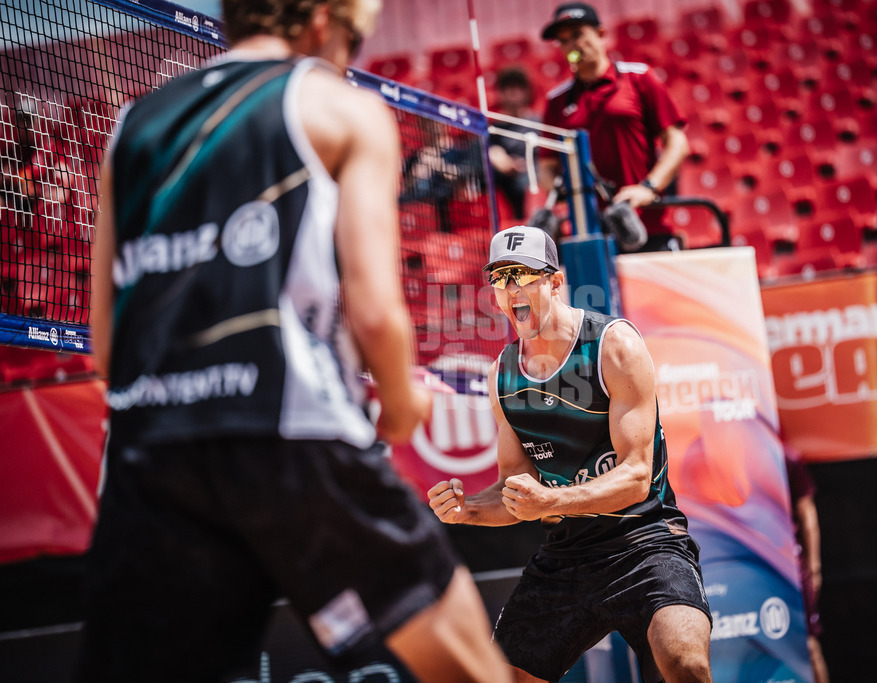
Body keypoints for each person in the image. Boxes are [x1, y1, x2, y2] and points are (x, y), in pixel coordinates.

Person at [77, 2, 510, 682]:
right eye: (351, 41)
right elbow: (374, 313)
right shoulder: (337, 106)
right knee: (469, 665)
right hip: (291, 433)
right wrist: (399, 405)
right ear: (318, 21)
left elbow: (106, 346)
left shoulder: (133, 124)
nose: (351, 56)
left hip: (150, 450)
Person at [429, 225, 713, 682]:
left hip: (644, 539)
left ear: (555, 283)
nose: (510, 289)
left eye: (522, 275)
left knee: (684, 663)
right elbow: (512, 490)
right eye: (500, 279)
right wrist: (468, 511)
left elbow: (637, 476)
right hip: (567, 554)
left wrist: (552, 502)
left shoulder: (613, 345)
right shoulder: (502, 375)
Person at [536, 2, 691, 252]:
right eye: (563, 41)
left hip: (646, 226)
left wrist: (648, 188)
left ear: (601, 35)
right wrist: (561, 191)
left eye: (577, 35)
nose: (571, 46)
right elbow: (546, 167)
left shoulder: (639, 78)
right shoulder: (556, 101)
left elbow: (678, 143)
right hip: (588, 233)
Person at [786, 447, 830, 683]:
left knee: (809, 645)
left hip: (792, 567)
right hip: (754, 566)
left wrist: (814, 567)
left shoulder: (787, 457)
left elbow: (808, 515)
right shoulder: (728, 459)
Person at [489, 66, 540, 220]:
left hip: (535, 181)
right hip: (509, 185)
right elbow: (493, 152)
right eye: (507, 87)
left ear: (526, 91)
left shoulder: (539, 123)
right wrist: (504, 162)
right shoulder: (495, 129)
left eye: (518, 86)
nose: (512, 92)